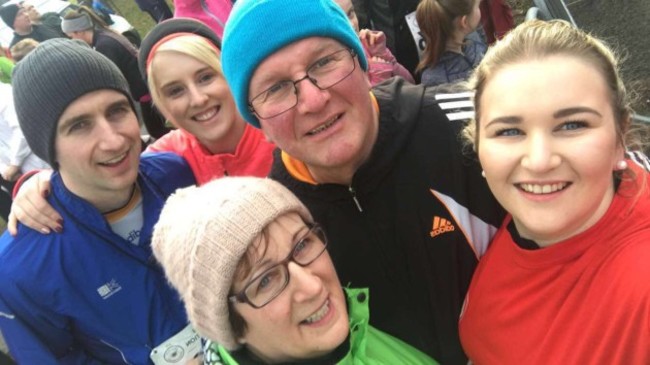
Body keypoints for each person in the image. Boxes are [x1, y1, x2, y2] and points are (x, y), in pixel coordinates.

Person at [221, 0, 504, 363]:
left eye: (323, 62)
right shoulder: (276, 226)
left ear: (361, 60)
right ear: (257, 121)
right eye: (275, 88)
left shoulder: (472, 126)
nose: (312, 99)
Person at [458, 20, 650, 364]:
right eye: (509, 131)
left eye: (572, 125)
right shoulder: (512, 225)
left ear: (620, 136)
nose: (540, 161)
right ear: (478, 146)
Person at [0, 38, 197, 363]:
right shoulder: (19, 270)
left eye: (117, 110)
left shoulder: (176, 175)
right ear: (48, 148)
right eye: (79, 125)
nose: (112, 140)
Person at [152, 176, 440, 365]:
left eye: (302, 245)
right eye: (265, 280)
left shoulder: (356, 326)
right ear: (230, 326)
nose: (313, 287)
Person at [139, 18, 275, 184]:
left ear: (229, 75)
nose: (198, 99)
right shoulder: (162, 162)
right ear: (163, 106)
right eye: (176, 91)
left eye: (205, 78)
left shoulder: (280, 126)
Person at [62, 9, 170, 139]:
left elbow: (111, 77)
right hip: (146, 86)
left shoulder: (104, 46)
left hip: (145, 91)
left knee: (157, 130)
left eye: (71, 36)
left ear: (78, 31)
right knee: (161, 128)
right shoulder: (103, 35)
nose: (73, 39)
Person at [334, 0, 415, 86]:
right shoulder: (332, 66)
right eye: (340, 19)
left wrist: (385, 56)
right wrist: (380, 79)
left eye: (350, 13)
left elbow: (411, 84)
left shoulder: (366, 46)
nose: (352, 25)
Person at [0, 82, 48, 222]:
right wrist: (6, 171)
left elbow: (22, 130)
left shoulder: (6, 95)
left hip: (38, 163)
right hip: (15, 175)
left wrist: (15, 164)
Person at [415, 0, 487, 87]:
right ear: (464, 22)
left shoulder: (473, 35)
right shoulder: (435, 82)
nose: (479, 10)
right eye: (477, 7)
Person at [0, 4, 65, 47]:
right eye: (20, 14)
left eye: (24, 11)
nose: (26, 15)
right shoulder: (17, 46)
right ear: (12, 23)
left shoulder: (41, 26)